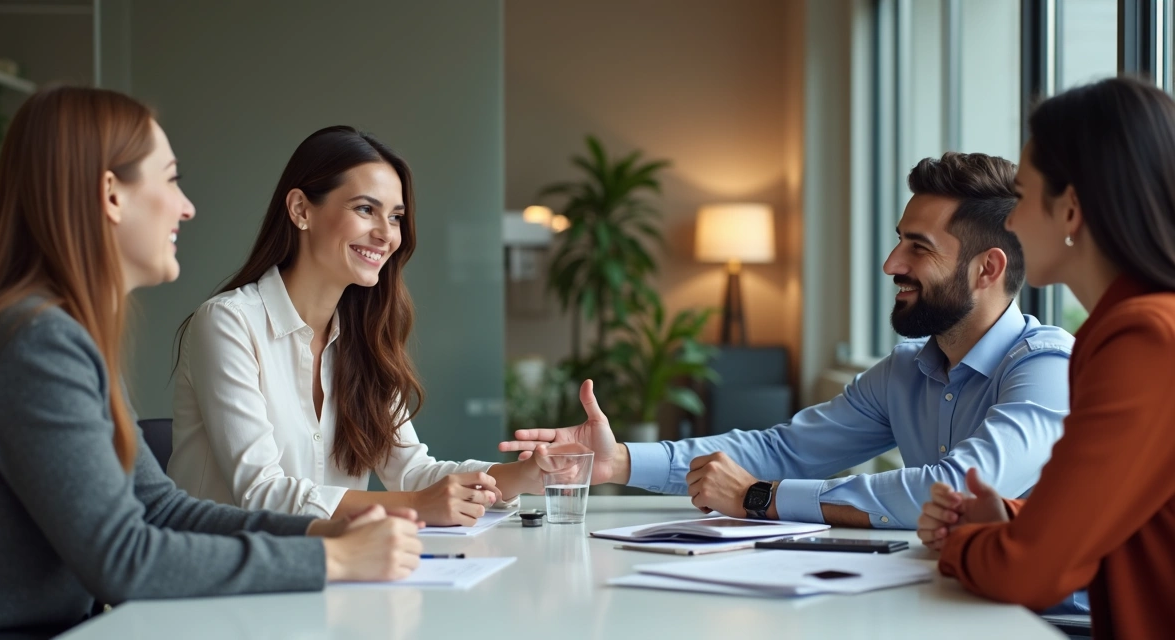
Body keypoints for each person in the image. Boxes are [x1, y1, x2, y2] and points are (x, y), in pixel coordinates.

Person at [0, 88, 424, 637]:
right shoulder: (35, 344)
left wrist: (321, 535)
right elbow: (123, 559)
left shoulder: (60, 334)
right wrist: (334, 561)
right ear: (111, 195)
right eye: (171, 179)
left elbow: (160, 510)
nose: (187, 206)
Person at [500, 152, 1074, 530]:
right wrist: (620, 461)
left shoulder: (1048, 367)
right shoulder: (904, 374)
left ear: (986, 269)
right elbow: (783, 450)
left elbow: (957, 489)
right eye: (899, 241)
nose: (890, 262)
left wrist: (761, 498)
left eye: (918, 248)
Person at [168, 126, 555, 527]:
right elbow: (260, 493)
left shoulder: (364, 338)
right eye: (365, 209)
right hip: (217, 573)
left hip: (324, 571)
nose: (386, 234)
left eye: (396, 216)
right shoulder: (229, 322)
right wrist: (417, 506)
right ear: (301, 209)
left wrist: (525, 474)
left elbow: (411, 473)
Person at [918, 77, 1175, 638]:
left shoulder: (1146, 339)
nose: (1009, 221)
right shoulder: (1134, 328)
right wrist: (1009, 519)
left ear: (1071, 209)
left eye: (1025, 196)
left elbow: (1030, 574)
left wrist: (964, 542)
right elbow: (1129, 507)